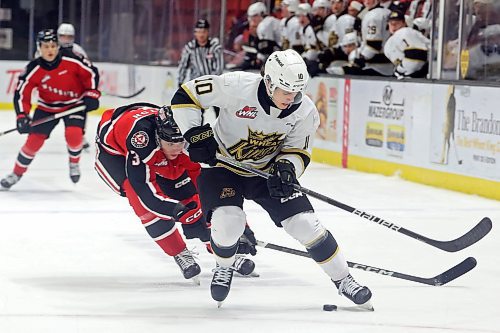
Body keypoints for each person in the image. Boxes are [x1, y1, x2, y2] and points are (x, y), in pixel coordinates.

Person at [170, 49, 373, 308]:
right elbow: (186, 94)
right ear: (268, 82)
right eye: (286, 91)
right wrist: (196, 134)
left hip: (266, 171)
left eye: (297, 91)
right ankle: (224, 266)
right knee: (229, 221)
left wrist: (287, 168)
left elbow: (298, 150)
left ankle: (344, 280)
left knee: (305, 224)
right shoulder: (236, 86)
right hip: (221, 166)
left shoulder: (305, 111)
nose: (292, 98)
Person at [94, 103, 257, 282]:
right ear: (158, 136)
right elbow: (144, 191)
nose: (177, 148)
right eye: (171, 142)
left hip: (152, 146)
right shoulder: (140, 140)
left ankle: (223, 252)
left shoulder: (189, 139)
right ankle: (180, 253)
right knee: (141, 202)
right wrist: (177, 211)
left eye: (181, 142)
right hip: (114, 155)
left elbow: (212, 189)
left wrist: (238, 228)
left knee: (195, 193)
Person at [0, 29, 100, 190]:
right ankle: (16, 173)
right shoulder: (33, 68)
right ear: (39, 47)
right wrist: (22, 116)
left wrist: (91, 93)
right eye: (46, 46)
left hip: (74, 105)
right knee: (32, 143)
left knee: (74, 136)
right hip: (47, 107)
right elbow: (21, 94)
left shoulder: (72, 59)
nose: (50, 50)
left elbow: (91, 73)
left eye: (53, 46)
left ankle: (74, 163)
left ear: (58, 47)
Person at [177, 19, 224, 87]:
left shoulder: (215, 47)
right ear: (195, 33)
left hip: (212, 84)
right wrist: (180, 82)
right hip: (195, 84)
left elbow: (219, 69)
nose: (201, 35)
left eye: (203, 32)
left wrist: (211, 82)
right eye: (198, 32)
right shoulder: (190, 47)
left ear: (208, 32)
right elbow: (183, 66)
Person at [384, 10, 430, 78]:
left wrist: (400, 71)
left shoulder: (405, 32)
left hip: (431, 70)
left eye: (397, 23)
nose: (393, 26)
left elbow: (417, 56)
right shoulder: (390, 42)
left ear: (404, 23)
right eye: (391, 23)